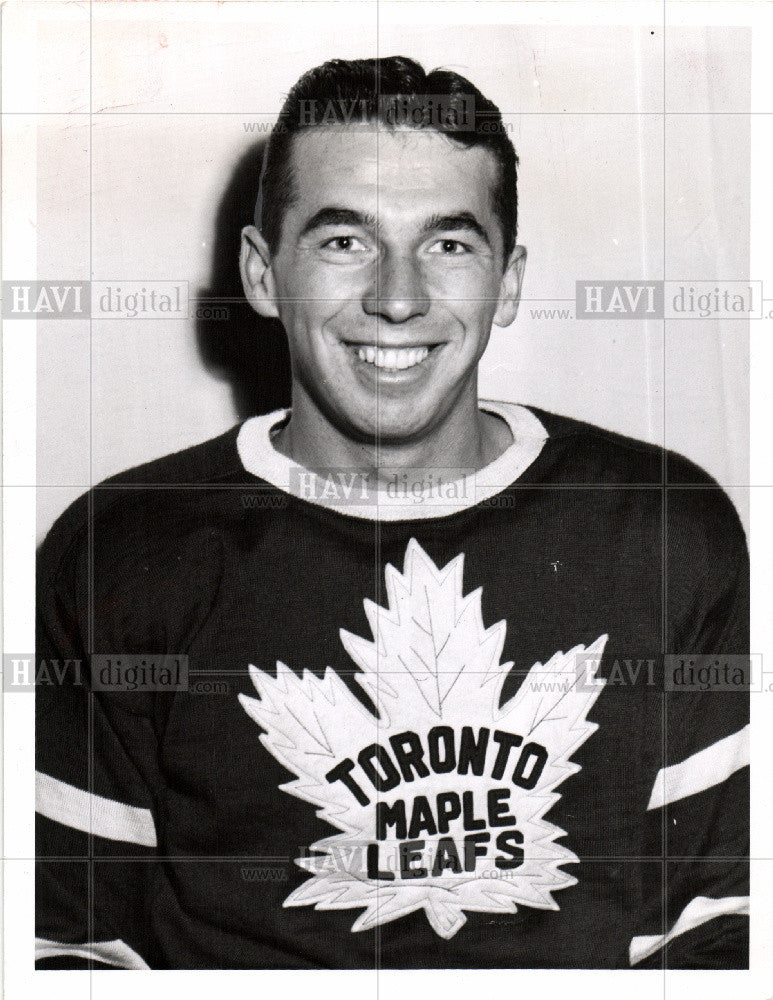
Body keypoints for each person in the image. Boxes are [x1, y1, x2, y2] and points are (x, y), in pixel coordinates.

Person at [35, 56, 749, 970]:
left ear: (510, 280)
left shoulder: (661, 526)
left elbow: (726, 920)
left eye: (448, 244)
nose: (398, 297)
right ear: (261, 273)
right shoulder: (120, 549)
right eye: (345, 242)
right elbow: (67, 944)